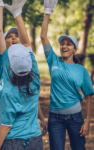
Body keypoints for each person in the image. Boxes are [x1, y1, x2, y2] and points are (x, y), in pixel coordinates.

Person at [41, 0, 94, 150]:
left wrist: (87, 121)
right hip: (54, 119)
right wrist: (48, 12)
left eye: (68, 44)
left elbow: (89, 95)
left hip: (76, 118)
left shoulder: (81, 70)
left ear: (74, 50)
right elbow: (43, 37)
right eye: (62, 43)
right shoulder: (53, 61)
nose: (64, 46)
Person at [0, 0, 45, 150]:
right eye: (9, 36)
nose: (14, 38)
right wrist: (17, 14)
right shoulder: (33, 74)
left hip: (13, 139)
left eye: (16, 36)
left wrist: (0, 5)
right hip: (34, 137)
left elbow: (5, 125)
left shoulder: (9, 91)